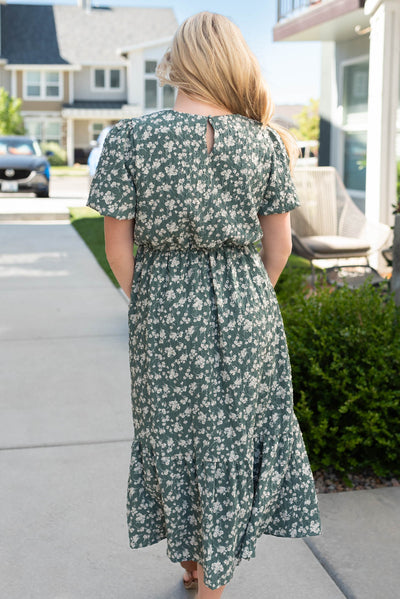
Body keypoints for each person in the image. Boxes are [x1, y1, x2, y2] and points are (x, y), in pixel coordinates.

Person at [85, 10, 321, 599]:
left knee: (173, 434)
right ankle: (211, 571)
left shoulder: (131, 139)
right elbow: (281, 245)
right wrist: (248, 300)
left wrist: (156, 304)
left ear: (177, 63)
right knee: (231, 440)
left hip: (162, 308)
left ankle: (197, 570)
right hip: (248, 308)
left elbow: (119, 248)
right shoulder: (265, 141)